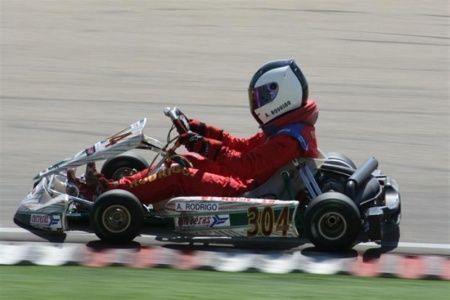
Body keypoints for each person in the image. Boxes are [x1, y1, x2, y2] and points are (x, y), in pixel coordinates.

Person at [71, 59, 319, 207]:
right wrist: (200, 129)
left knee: (178, 174)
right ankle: (116, 188)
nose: (257, 103)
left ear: (281, 97)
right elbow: (244, 146)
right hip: (250, 181)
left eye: (262, 97)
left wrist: (201, 144)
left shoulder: (288, 138)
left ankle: (109, 198)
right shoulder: (286, 127)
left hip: (248, 192)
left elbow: (246, 165)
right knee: (184, 161)